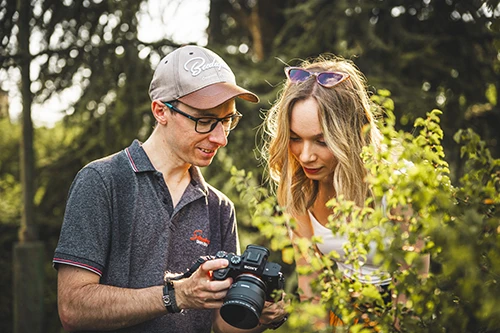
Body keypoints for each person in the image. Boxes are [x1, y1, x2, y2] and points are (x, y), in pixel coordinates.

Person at [53, 45, 287, 333]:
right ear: (161, 110)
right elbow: (73, 308)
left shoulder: (219, 207)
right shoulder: (102, 181)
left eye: (227, 121)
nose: (220, 138)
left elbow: (222, 323)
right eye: (205, 121)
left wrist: (262, 316)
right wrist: (175, 295)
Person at [261, 54, 429, 329]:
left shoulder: (397, 188)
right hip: (338, 317)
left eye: (321, 141)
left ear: (350, 135)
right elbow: (312, 289)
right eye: (294, 138)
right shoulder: (300, 192)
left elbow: (413, 290)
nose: (305, 156)